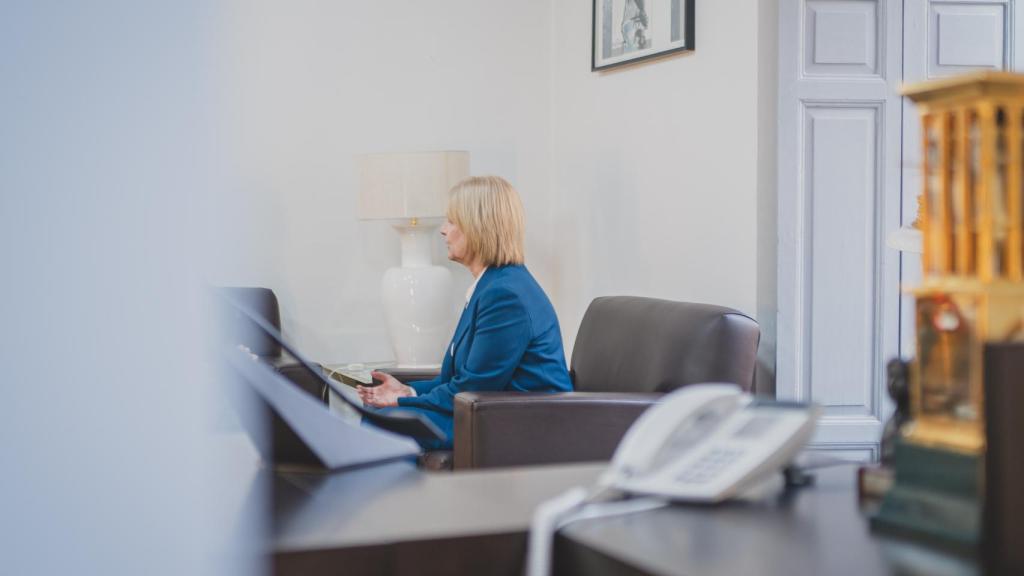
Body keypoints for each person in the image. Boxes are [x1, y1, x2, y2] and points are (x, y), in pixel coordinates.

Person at [357, 175, 572, 451]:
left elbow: (473, 388)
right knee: (382, 418)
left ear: (477, 228)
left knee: (385, 422)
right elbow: (456, 380)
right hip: (487, 412)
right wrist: (406, 391)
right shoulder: (493, 285)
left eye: (452, 221)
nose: (443, 231)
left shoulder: (505, 296)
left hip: (519, 424)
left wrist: (400, 401)